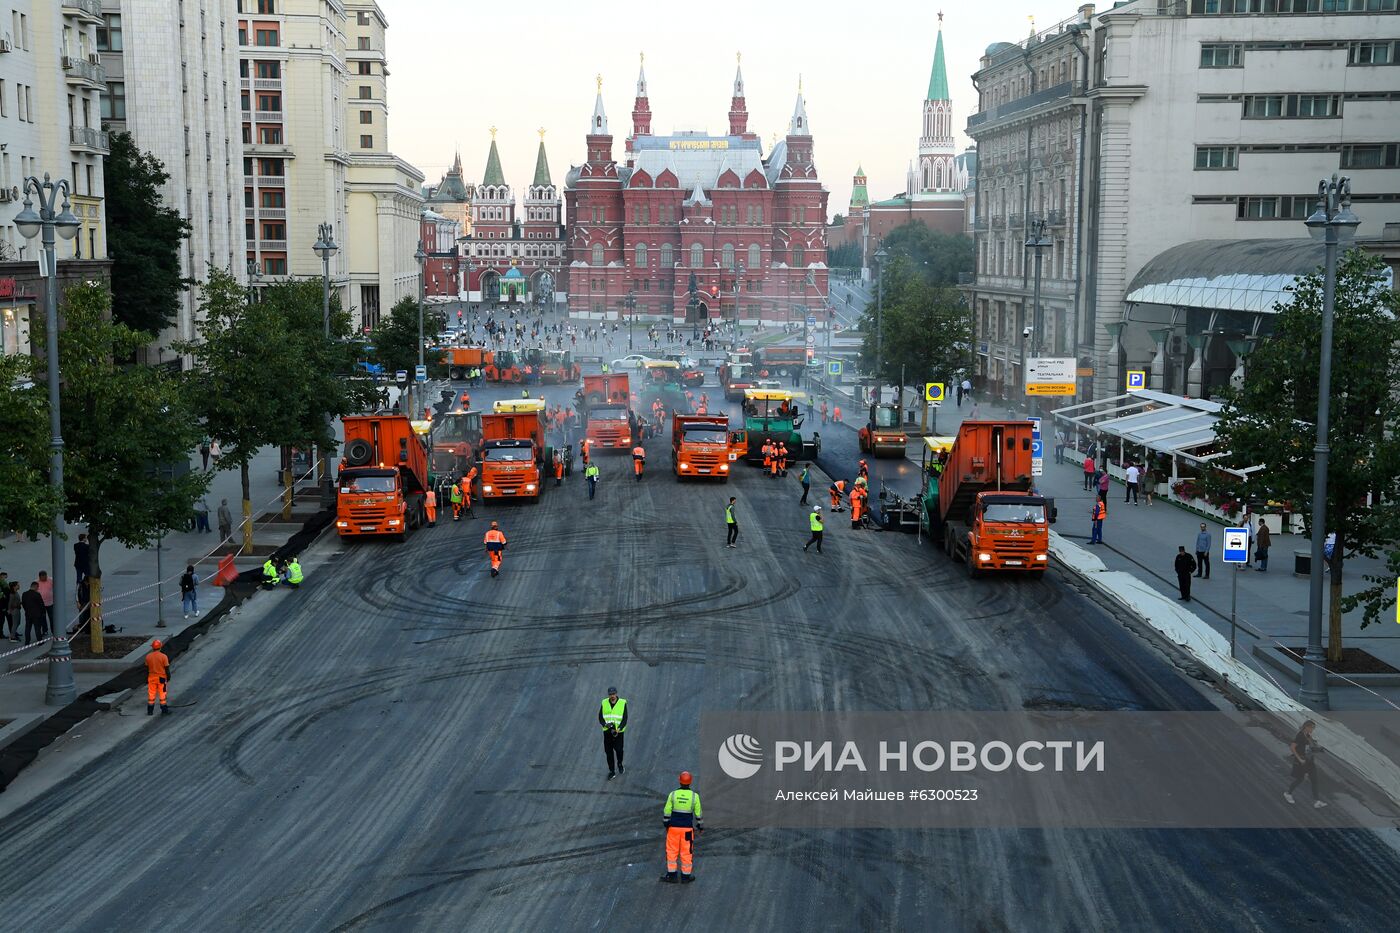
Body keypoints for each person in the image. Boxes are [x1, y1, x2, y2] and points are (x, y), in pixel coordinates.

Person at [659, 771, 703, 884]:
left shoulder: (673, 794)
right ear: (690, 782)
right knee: (686, 852)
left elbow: (667, 810)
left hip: (673, 828)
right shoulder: (694, 796)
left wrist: (666, 823)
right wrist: (700, 825)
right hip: (687, 830)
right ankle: (685, 877)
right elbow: (698, 813)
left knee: (672, 851)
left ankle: (671, 875)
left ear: (679, 780)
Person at [1285, 719, 1327, 808]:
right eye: (1312, 728)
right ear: (1307, 727)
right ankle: (1288, 793)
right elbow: (1292, 747)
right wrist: (1300, 759)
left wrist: (1319, 749)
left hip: (1310, 761)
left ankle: (1317, 801)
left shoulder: (1308, 735)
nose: (1312, 730)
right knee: (1300, 779)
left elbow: (1309, 748)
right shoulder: (1300, 736)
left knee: (1314, 780)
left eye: (1313, 728)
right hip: (1302, 761)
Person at [599, 686, 628, 780]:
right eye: (611, 694)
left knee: (619, 750)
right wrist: (605, 725)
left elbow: (625, 718)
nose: (612, 696)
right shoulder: (604, 702)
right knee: (608, 752)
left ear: (616, 693)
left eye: (614, 694)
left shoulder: (622, 703)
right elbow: (600, 717)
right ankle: (612, 771)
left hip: (618, 732)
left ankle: (620, 763)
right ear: (608, 695)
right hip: (607, 732)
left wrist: (619, 728)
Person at [146, 638, 171, 715]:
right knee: (162, 693)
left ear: (153, 647)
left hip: (152, 678)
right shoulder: (164, 656)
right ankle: (164, 710)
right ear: (160, 647)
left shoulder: (148, 656)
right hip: (162, 678)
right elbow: (166, 668)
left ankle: (150, 711)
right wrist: (168, 676)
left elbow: (147, 667)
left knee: (151, 694)